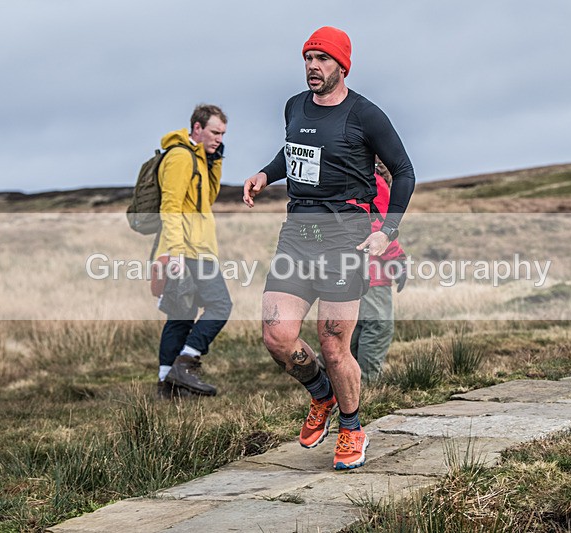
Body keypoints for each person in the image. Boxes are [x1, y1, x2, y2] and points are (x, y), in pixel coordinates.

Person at [243, 27, 415, 470]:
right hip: (297, 235)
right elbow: (293, 152)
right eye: (308, 58)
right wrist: (265, 174)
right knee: (277, 335)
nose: (312, 67)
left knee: (334, 344)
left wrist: (387, 231)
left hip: (344, 239)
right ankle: (322, 394)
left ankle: (352, 428)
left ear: (342, 66)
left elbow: (404, 171)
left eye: (322, 59)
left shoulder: (365, 115)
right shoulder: (294, 106)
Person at [155, 104, 233, 400]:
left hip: (195, 249)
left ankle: (166, 385)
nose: (219, 138)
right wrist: (175, 253)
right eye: (215, 132)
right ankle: (186, 362)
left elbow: (207, 198)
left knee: (181, 316)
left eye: (222, 134)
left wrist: (215, 160)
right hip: (187, 250)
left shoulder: (199, 158)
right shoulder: (180, 157)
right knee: (220, 305)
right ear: (197, 128)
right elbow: (170, 206)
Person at [350, 157, 408, 383]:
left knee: (353, 331)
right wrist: (398, 260)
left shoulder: (351, 179)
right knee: (377, 327)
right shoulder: (374, 182)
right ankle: (367, 387)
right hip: (371, 271)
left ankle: (330, 380)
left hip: (348, 269)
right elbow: (379, 228)